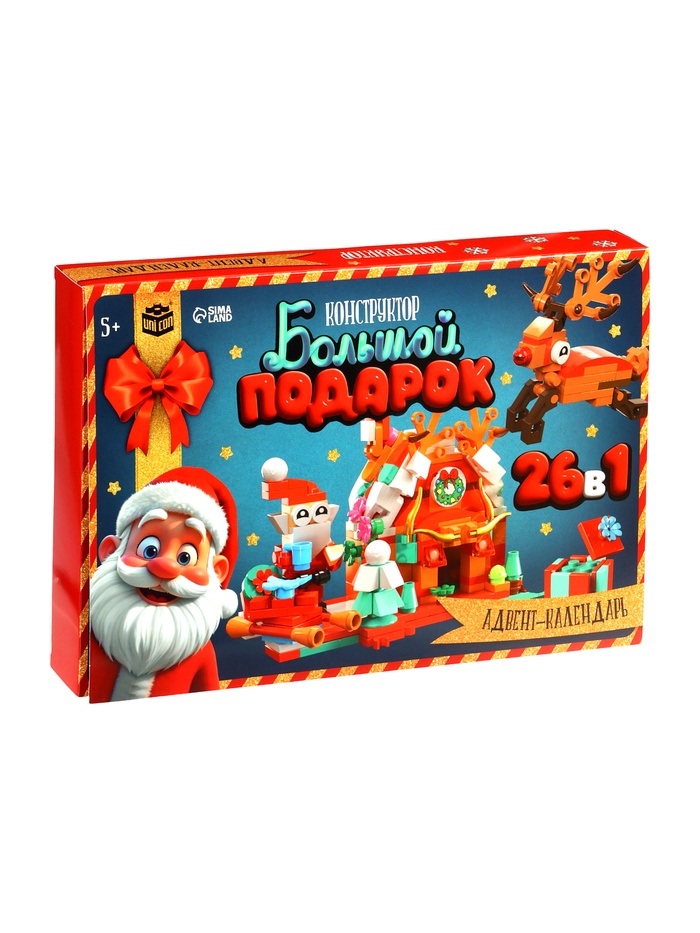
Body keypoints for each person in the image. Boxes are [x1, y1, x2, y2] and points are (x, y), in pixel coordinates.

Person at [89, 467, 238, 702]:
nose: (164, 567)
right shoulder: (87, 641)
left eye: (185, 557)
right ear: (110, 551)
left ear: (216, 571)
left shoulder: (200, 654)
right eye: (149, 550)